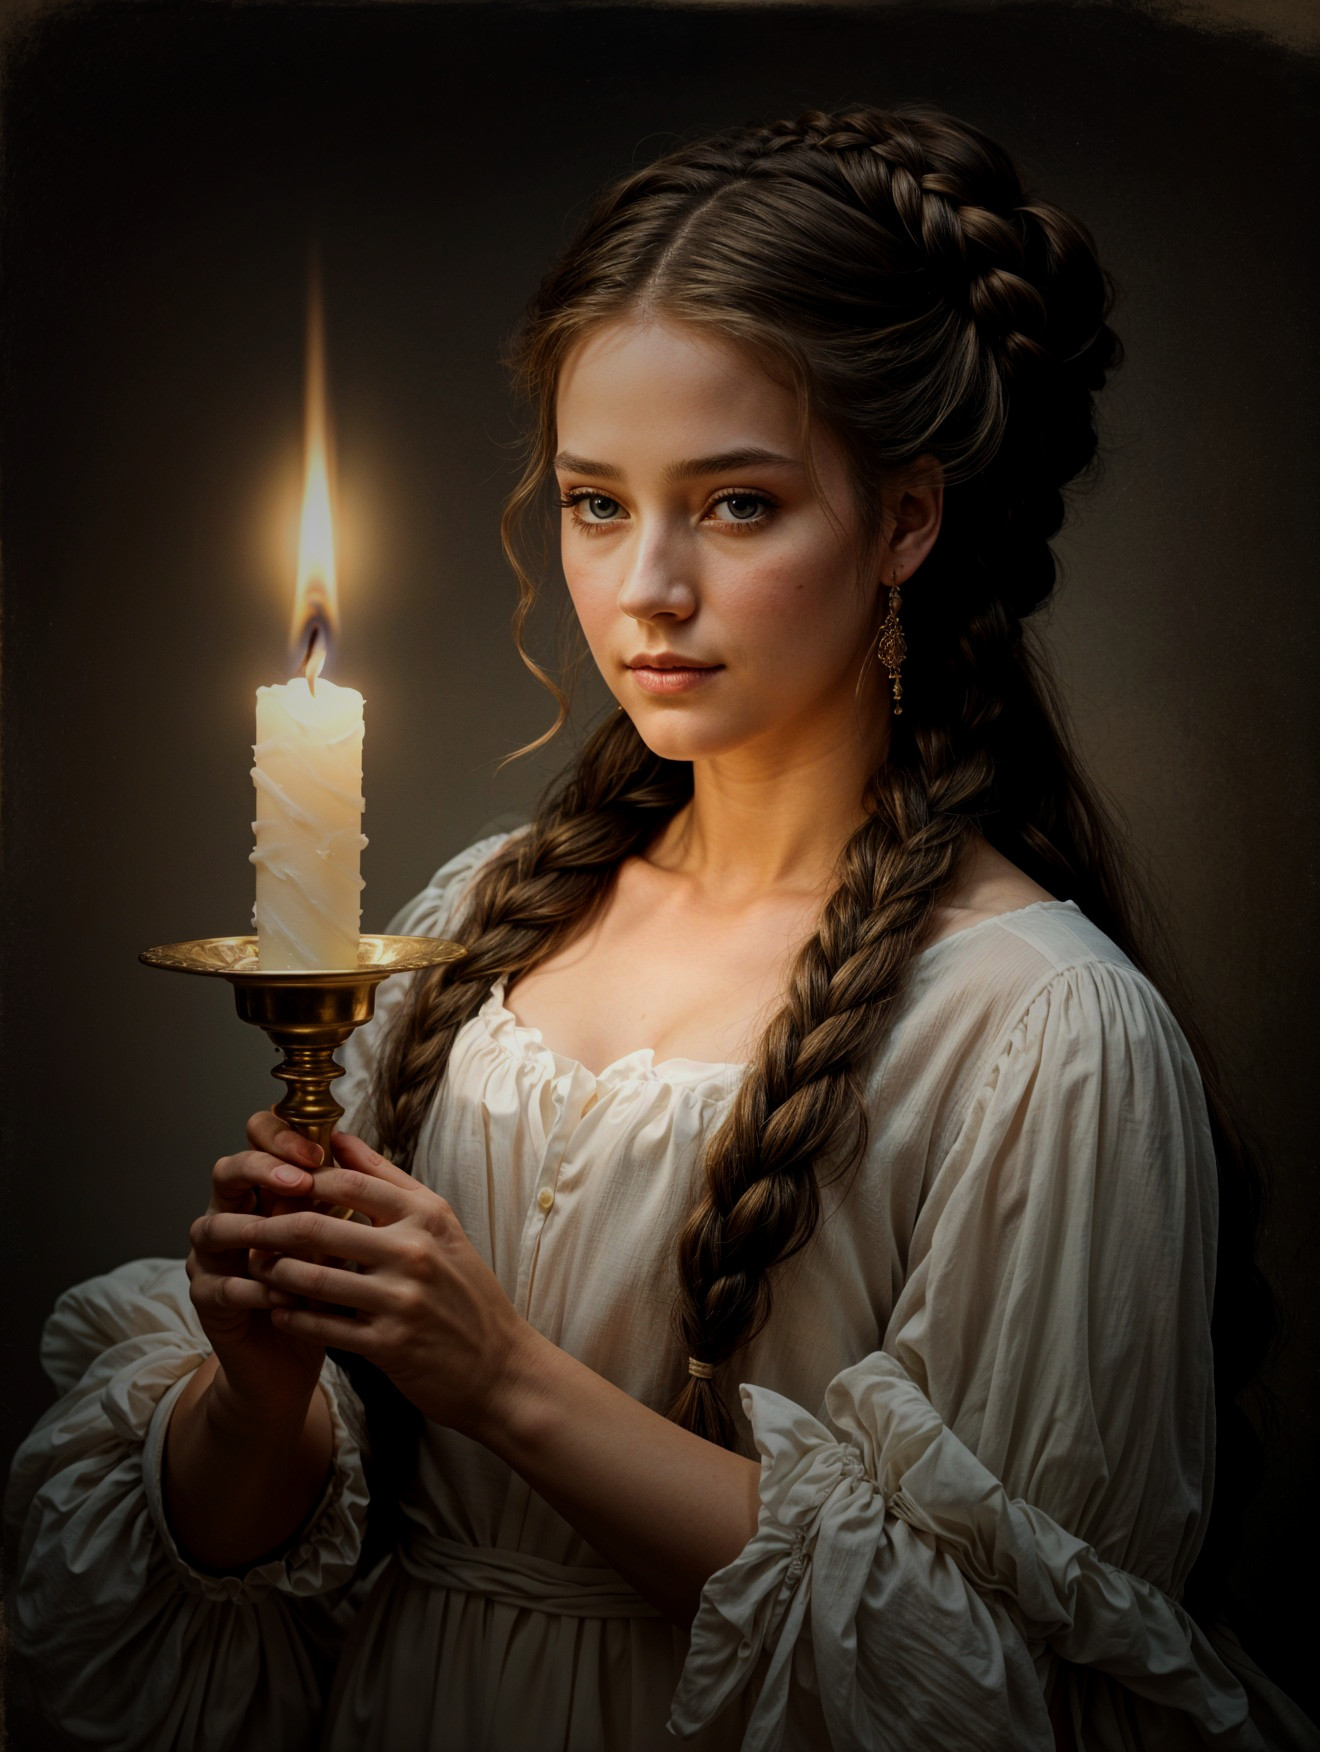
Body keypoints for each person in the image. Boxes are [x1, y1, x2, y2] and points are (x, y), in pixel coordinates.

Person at [6, 103, 1315, 1752]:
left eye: (740, 504)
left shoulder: (1040, 1030)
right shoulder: (478, 925)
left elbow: (997, 1688)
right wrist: (257, 1405)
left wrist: (497, 1375)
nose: (648, 589)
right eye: (596, 502)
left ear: (906, 520)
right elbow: (240, 1578)